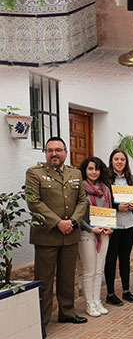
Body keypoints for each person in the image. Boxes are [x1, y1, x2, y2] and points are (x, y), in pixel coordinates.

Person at [25, 137, 88, 328]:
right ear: (45, 153)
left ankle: (67, 312)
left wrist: (73, 222)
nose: (54, 154)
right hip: (47, 235)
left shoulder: (75, 173)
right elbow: (33, 202)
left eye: (58, 150)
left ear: (65, 152)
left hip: (70, 235)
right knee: (44, 280)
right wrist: (58, 223)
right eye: (50, 150)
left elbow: (82, 201)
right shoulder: (35, 173)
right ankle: (41, 322)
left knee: (67, 278)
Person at [79, 157, 113, 317]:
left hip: (104, 234)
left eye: (97, 169)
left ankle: (97, 301)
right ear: (85, 170)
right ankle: (89, 304)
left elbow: (110, 210)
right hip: (87, 234)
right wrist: (91, 229)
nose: (94, 172)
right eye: (90, 169)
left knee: (99, 270)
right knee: (89, 270)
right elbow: (78, 216)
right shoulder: (80, 189)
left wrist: (109, 227)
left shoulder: (105, 188)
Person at [104, 148, 133, 306]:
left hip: (129, 224)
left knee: (125, 258)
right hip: (114, 225)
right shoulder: (106, 179)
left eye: (122, 159)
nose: (119, 162)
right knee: (111, 259)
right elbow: (104, 202)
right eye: (116, 159)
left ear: (126, 162)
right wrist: (118, 207)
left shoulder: (131, 178)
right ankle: (110, 293)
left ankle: (126, 290)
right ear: (111, 161)